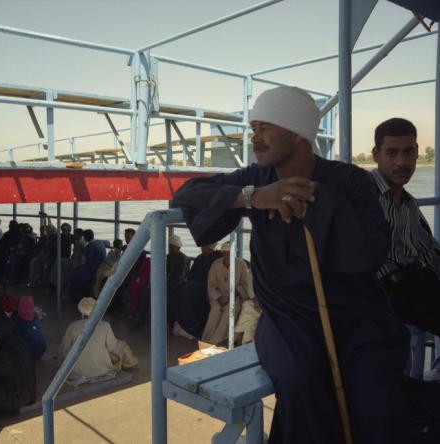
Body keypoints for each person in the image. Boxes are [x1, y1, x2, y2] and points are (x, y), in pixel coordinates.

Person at [172, 86, 411, 443]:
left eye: (264, 127)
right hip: (287, 318)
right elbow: (186, 194)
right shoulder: (255, 178)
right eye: (253, 127)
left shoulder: (351, 182)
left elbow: (370, 252)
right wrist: (254, 197)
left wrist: (318, 202)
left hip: (353, 314)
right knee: (300, 377)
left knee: (374, 384)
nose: (255, 136)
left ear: (296, 132)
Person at [371, 118, 440, 338]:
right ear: (376, 155)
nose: (402, 161)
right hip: (386, 293)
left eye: (408, 151)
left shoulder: (408, 204)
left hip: (415, 285)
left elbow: (428, 249)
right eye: (392, 153)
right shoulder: (362, 191)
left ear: (417, 152)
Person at [60, 297, 138, 387]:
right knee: (121, 345)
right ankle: (129, 364)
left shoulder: (73, 326)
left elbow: (63, 349)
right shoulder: (105, 325)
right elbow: (112, 347)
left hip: (76, 373)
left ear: (81, 312)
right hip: (102, 371)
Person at [201, 242, 256, 345]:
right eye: (225, 253)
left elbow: (245, 285)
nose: (227, 255)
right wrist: (219, 298)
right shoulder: (216, 264)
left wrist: (235, 293)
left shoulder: (241, 264)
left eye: (230, 253)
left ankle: (220, 340)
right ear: (222, 253)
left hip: (236, 296)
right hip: (219, 296)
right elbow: (211, 285)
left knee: (229, 310)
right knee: (215, 310)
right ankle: (208, 337)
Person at [169, 243, 222, 339]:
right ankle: (178, 323)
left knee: (189, 291)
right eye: (202, 246)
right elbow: (191, 274)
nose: (202, 248)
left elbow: (214, 278)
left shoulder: (217, 259)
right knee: (178, 290)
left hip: (207, 286)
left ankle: (189, 327)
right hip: (195, 284)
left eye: (204, 246)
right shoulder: (199, 258)